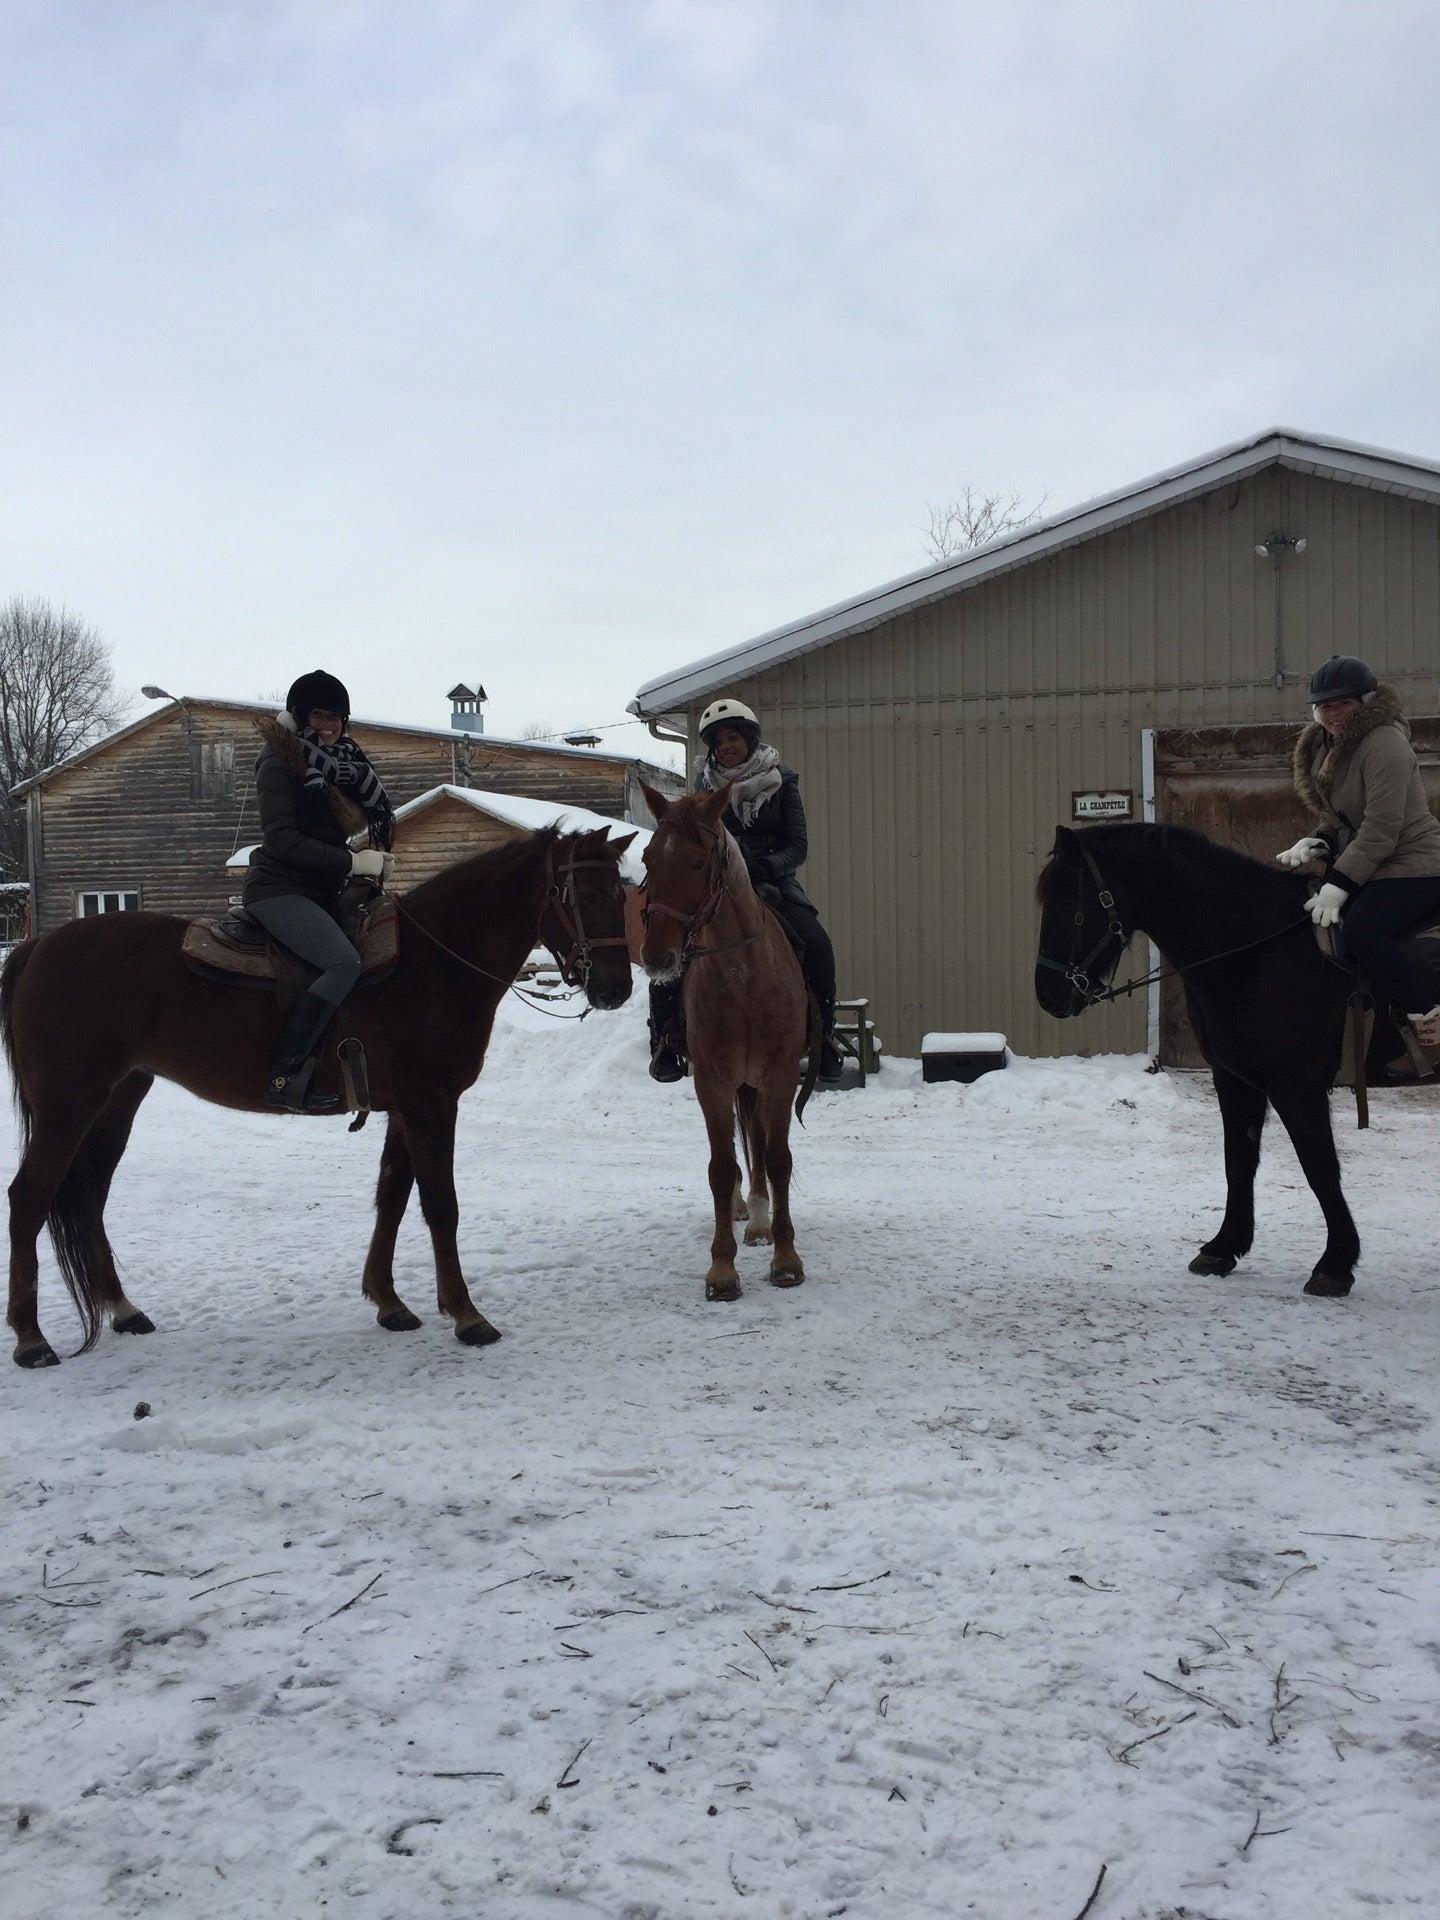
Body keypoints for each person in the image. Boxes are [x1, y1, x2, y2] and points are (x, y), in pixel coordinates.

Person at [649, 696, 845, 1085]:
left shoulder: (783, 782)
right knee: (672, 948)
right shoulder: (702, 790)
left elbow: (797, 845)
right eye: (719, 741)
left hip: (773, 883)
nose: (726, 746)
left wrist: (765, 866)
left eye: (734, 737)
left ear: (751, 740)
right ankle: (665, 1041)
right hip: (714, 888)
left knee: (818, 945)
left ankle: (824, 1039)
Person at [244, 670, 396, 1111]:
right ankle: (284, 1076)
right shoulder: (280, 763)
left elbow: (337, 834)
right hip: (278, 890)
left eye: (336, 717)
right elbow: (281, 840)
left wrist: (369, 863)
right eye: (319, 715)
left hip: (321, 890)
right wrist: (352, 862)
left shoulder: (344, 766)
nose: (329, 725)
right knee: (342, 962)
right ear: (300, 716)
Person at [1277, 654, 1440, 1066]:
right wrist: (1317, 842)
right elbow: (1343, 819)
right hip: (1377, 864)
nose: (1332, 714)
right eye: (1324, 706)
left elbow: (1383, 827)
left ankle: (1431, 1027)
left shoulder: (1384, 741)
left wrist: (1340, 884)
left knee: (1362, 934)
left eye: (1342, 704)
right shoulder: (1330, 747)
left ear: (1365, 703)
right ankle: (1386, 1032)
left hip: (1417, 864)